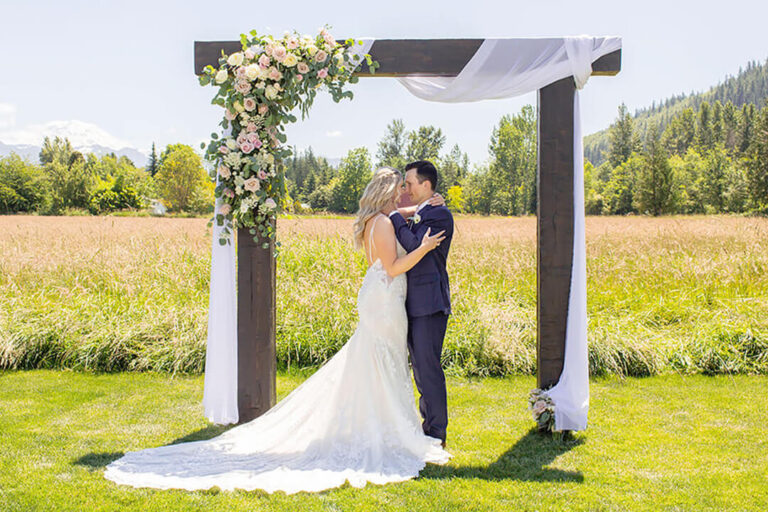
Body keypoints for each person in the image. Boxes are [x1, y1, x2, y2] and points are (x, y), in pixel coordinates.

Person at [103, 167, 450, 494]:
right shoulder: (386, 224)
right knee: (382, 361)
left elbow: (395, 223)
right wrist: (422, 248)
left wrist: (419, 207)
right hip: (386, 299)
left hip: (378, 298)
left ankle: (380, 427)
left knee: (376, 362)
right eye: (400, 188)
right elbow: (392, 267)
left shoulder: (377, 220)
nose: (405, 193)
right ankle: (385, 433)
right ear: (389, 194)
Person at [386, 160, 454, 447]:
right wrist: (396, 213)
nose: (406, 189)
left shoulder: (439, 215)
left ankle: (436, 433)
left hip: (430, 304)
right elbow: (413, 225)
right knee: (420, 369)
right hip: (414, 303)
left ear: (427, 185)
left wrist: (392, 214)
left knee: (428, 369)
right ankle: (429, 428)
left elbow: (415, 245)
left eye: (411, 184)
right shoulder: (425, 211)